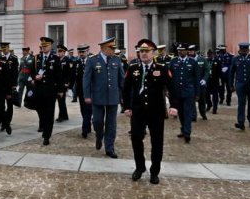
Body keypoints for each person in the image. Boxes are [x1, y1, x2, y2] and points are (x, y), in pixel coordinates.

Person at [123, 39, 173, 185]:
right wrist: (126, 107)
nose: (143, 54)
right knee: (136, 138)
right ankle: (140, 167)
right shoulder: (133, 68)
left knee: (157, 142)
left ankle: (154, 171)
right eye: (141, 51)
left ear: (153, 53)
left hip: (156, 111)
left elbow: (172, 87)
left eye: (146, 51)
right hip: (138, 111)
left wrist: (174, 105)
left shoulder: (162, 68)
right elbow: (126, 89)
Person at [83, 36, 125, 158]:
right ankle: (99, 135)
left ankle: (109, 148)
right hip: (97, 97)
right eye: (110, 48)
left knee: (111, 124)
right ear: (103, 48)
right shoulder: (92, 61)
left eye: (113, 48)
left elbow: (122, 80)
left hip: (113, 97)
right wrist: (87, 95)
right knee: (97, 121)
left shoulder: (116, 60)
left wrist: (124, 96)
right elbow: (86, 80)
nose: (113, 51)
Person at [31, 36, 64, 146]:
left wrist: (60, 90)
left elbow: (59, 76)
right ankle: (44, 126)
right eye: (42, 46)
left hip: (50, 91)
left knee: (49, 113)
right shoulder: (37, 58)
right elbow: (31, 72)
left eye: (46, 46)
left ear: (50, 46)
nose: (44, 48)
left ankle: (47, 135)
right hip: (39, 90)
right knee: (41, 111)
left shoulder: (56, 58)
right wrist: (35, 77)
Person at [169, 43, 198, 143]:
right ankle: (183, 129)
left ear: (187, 51)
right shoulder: (173, 61)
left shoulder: (192, 62)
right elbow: (170, 77)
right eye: (179, 50)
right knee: (180, 113)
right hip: (177, 92)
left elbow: (196, 78)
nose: (180, 51)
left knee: (188, 113)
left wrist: (197, 93)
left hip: (189, 92)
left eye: (182, 50)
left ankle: (187, 133)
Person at [230, 42, 250, 130]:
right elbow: (231, 73)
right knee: (241, 103)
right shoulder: (235, 59)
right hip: (240, 84)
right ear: (240, 50)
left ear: (248, 50)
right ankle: (241, 122)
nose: (244, 51)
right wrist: (231, 84)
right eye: (242, 50)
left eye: (245, 50)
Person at [73, 44, 92, 138]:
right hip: (80, 91)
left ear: (87, 51)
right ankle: (87, 125)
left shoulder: (92, 61)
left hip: (91, 91)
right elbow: (74, 77)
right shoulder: (76, 63)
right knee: (83, 109)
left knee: (88, 110)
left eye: (83, 52)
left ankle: (84, 129)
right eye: (79, 52)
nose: (81, 54)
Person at [0, 42, 18, 132]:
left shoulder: (14, 58)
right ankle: (3, 122)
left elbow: (15, 73)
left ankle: (7, 122)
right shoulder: (0, 58)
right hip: (2, 86)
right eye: (2, 49)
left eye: (5, 48)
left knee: (9, 106)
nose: (4, 50)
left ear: (9, 48)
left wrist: (14, 85)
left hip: (10, 85)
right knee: (1, 106)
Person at [188, 44, 209, 122]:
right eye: (189, 51)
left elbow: (207, 70)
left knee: (202, 100)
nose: (190, 52)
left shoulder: (202, 59)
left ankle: (203, 113)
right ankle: (193, 116)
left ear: (195, 51)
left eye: (191, 51)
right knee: (192, 100)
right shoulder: (188, 60)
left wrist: (204, 79)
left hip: (201, 83)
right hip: (192, 84)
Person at [55, 44, 71, 123]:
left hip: (64, 83)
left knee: (61, 100)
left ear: (64, 52)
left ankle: (61, 116)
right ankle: (65, 115)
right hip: (58, 83)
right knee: (60, 100)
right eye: (58, 51)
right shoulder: (57, 60)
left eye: (60, 51)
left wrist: (67, 83)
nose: (59, 53)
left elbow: (69, 73)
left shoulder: (67, 60)